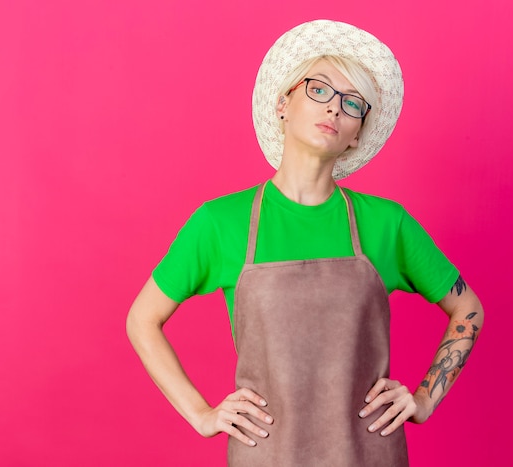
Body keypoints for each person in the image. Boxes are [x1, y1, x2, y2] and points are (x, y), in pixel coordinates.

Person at [127, 20, 484, 466]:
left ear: (357, 134)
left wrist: (425, 399)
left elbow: (468, 308)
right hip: (267, 454)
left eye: (352, 103)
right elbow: (141, 319)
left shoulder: (386, 223)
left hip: (367, 454)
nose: (334, 108)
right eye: (320, 89)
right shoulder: (221, 222)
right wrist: (202, 414)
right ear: (283, 104)